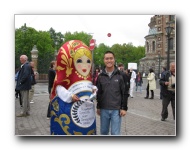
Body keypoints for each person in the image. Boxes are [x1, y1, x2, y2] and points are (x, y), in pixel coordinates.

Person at [50, 40, 97, 135]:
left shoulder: (87, 77)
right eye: (79, 61)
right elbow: (59, 89)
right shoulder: (65, 77)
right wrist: (70, 96)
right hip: (69, 114)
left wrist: (94, 89)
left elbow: (89, 86)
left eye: (88, 61)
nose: (85, 65)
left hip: (87, 115)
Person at [96, 51, 127, 135]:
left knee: (115, 133)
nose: (109, 60)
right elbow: (99, 93)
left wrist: (124, 108)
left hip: (116, 110)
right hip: (104, 109)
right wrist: (98, 106)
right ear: (104, 60)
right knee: (104, 132)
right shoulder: (100, 76)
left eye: (111, 58)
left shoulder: (121, 75)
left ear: (114, 59)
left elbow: (124, 92)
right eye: (107, 59)